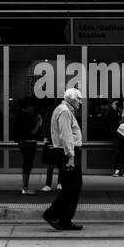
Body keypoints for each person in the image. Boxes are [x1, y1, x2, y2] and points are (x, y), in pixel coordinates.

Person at [42, 88, 84, 231]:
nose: (80, 101)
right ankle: (52, 214)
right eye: (79, 99)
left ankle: (65, 220)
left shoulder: (63, 110)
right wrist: (71, 157)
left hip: (64, 152)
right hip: (66, 153)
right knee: (74, 185)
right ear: (71, 99)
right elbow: (66, 136)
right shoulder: (65, 111)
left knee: (70, 186)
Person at [14, 96, 44, 195]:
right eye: (32, 107)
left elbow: (16, 132)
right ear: (28, 107)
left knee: (27, 164)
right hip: (29, 143)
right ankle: (25, 188)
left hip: (24, 143)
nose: (33, 109)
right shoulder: (26, 117)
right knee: (27, 164)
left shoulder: (19, 116)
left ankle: (25, 187)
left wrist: (19, 141)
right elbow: (32, 133)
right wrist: (38, 123)